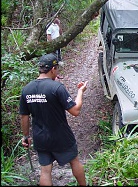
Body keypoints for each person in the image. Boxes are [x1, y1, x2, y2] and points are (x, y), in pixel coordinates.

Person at [19, 53, 88, 186]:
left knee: (45, 171)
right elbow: (75, 111)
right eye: (57, 69)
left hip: (40, 137)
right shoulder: (57, 88)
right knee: (74, 161)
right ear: (52, 69)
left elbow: (24, 116)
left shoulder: (26, 89)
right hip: (61, 136)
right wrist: (80, 92)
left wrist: (26, 136)